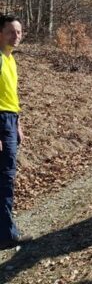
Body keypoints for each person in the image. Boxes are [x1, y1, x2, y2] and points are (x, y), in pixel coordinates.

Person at [0, 14, 31, 249]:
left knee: (6, 177)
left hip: (10, 119)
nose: (16, 36)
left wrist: (18, 123)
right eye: (11, 31)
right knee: (5, 178)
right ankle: (7, 236)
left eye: (19, 32)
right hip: (1, 122)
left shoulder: (10, 59)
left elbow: (10, 96)